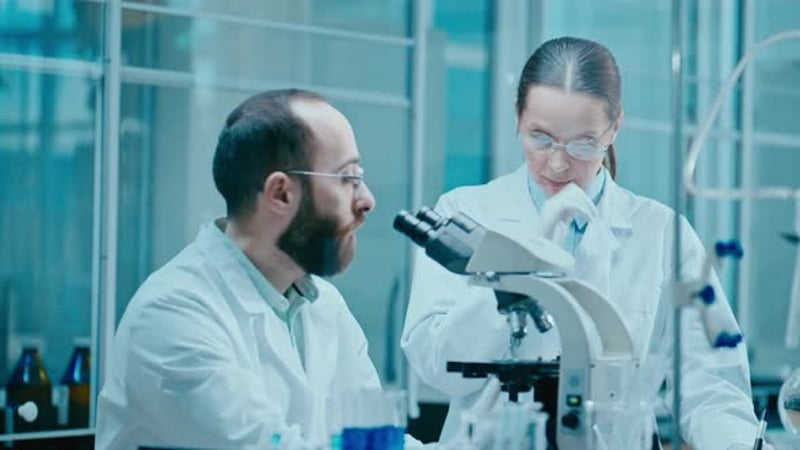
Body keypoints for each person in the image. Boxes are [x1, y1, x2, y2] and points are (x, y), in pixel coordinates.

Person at [401, 37, 766, 450]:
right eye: (541, 138)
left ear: (614, 129)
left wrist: (737, 444)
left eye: (583, 144)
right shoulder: (466, 212)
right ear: (517, 117)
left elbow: (710, 387)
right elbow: (435, 365)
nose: (557, 163)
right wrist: (519, 264)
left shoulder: (664, 234)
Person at [96, 89, 381, 449]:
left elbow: (376, 440)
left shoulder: (324, 305)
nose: (367, 200)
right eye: (348, 178)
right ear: (280, 194)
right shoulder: (173, 311)